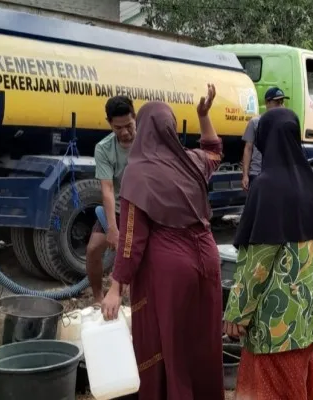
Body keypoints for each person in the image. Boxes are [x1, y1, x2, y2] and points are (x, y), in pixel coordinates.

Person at [100, 84, 224, 400]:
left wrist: (116, 286)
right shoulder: (192, 160)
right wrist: (203, 115)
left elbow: (131, 239)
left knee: (171, 343)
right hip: (208, 258)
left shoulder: (137, 173)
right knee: (203, 339)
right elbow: (214, 149)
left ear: (142, 129)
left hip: (171, 270)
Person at [224, 107, 313, 400]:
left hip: (277, 326)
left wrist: (237, 312)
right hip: (308, 320)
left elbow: (257, 264)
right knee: (297, 387)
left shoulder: (265, 186)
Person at [86, 95, 136, 304]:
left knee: (137, 256)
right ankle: (98, 299)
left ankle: (136, 304)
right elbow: (107, 189)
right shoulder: (104, 148)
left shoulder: (148, 141)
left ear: (135, 118)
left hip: (142, 208)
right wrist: (113, 229)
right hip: (117, 207)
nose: (124, 132)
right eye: (118, 128)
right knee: (92, 249)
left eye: (128, 125)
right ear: (109, 124)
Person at [241, 87, 289, 191]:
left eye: (282, 102)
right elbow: (248, 149)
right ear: (267, 102)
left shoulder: (284, 125)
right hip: (257, 173)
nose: (280, 106)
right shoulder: (255, 122)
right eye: (276, 102)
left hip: (277, 175)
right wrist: (245, 175)